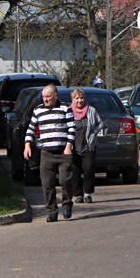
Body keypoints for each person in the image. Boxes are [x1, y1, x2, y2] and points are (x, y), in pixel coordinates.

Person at [24, 85, 76, 222]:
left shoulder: (65, 108)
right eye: (44, 97)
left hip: (63, 152)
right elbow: (30, 129)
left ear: (55, 96)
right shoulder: (38, 110)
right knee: (48, 184)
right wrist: (27, 145)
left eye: (48, 96)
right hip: (46, 153)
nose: (45, 99)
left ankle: (67, 204)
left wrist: (68, 146)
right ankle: (52, 211)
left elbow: (72, 129)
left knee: (65, 180)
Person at [68, 87, 104, 204]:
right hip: (74, 145)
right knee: (75, 170)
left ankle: (87, 193)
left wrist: (93, 133)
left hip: (88, 145)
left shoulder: (91, 110)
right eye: (77, 98)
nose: (79, 100)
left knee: (88, 169)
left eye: (81, 98)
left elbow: (100, 123)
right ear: (73, 99)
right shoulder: (68, 111)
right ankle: (78, 194)